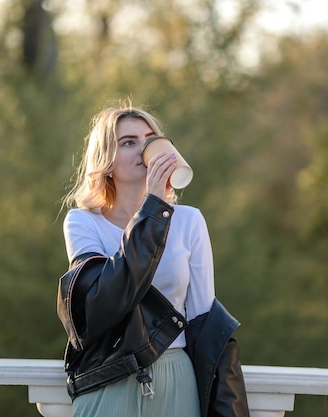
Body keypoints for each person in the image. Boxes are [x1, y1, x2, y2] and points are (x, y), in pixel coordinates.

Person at [57, 102, 250, 417]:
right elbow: (107, 299)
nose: (144, 149)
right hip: (109, 379)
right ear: (106, 160)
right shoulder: (82, 222)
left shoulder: (189, 221)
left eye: (149, 139)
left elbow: (204, 321)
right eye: (128, 142)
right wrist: (154, 207)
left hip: (175, 379)